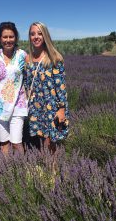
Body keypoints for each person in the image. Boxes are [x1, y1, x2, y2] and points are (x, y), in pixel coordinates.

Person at [24, 21, 69, 154]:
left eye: (39, 33)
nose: (36, 37)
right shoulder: (28, 59)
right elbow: (27, 84)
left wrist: (61, 109)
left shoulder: (54, 58)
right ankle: (44, 168)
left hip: (51, 107)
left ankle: (53, 170)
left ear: (45, 36)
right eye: (32, 34)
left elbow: (61, 86)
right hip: (36, 107)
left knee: (50, 141)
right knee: (41, 139)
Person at [0, 22, 27, 155]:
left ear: (15, 38)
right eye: (5, 37)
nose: (8, 40)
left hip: (17, 104)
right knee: (4, 143)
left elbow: (31, 74)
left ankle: (24, 169)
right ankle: (9, 171)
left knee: (16, 142)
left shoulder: (22, 54)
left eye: (11, 37)